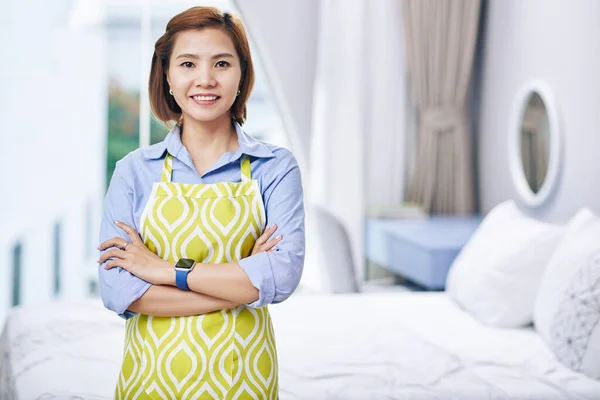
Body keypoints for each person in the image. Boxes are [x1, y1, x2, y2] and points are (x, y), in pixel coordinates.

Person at [97, 6, 305, 399]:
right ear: (168, 77)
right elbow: (119, 291)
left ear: (242, 75)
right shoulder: (134, 171)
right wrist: (241, 283)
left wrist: (160, 270)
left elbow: (281, 278)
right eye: (188, 63)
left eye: (222, 63)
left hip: (243, 377)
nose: (205, 79)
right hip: (151, 378)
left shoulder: (274, 168)